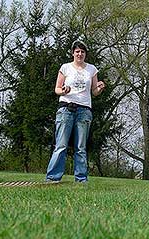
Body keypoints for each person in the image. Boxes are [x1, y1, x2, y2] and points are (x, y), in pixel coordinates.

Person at [46, 40, 105, 183]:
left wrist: (100, 88)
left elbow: (94, 91)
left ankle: (81, 179)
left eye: (82, 52)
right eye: (77, 51)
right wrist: (64, 91)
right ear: (73, 53)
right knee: (61, 144)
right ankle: (53, 177)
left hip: (84, 110)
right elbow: (57, 89)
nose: (80, 54)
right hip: (66, 107)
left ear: (85, 54)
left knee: (81, 147)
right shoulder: (65, 68)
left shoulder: (92, 69)